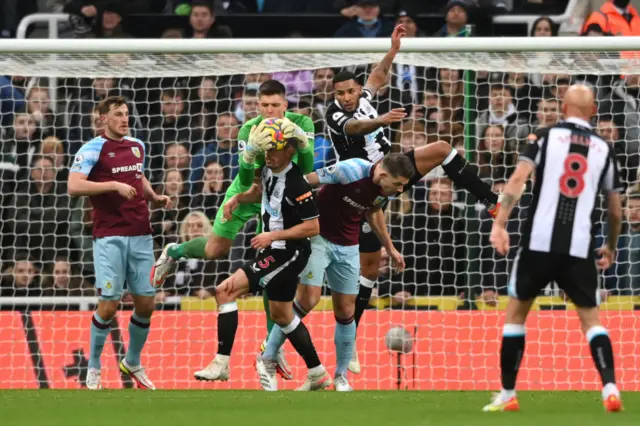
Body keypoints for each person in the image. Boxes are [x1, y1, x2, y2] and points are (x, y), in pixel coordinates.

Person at [325, 24, 503, 374]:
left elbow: (378, 74)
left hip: (394, 169)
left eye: (350, 92)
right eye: (341, 93)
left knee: (442, 149)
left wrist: (393, 50)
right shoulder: (334, 115)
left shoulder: (363, 97)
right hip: (365, 184)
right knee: (370, 268)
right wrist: (381, 119)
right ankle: (351, 339)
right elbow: (355, 129)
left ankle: (493, 202)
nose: (346, 97)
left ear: (357, 89)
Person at [152, 79, 315, 380]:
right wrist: (252, 152)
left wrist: (301, 143)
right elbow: (249, 176)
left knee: (273, 266)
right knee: (216, 250)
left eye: (275, 106)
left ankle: (272, 348)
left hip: (278, 197)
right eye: (263, 106)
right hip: (248, 192)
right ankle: (174, 251)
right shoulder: (247, 130)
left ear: (285, 105)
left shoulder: (301, 123)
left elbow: (306, 169)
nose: (268, 112)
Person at [485, 85, 624, 412]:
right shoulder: (605, 148)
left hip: (538, 242)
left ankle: (507, 395)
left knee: (516, 315)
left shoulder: (543, 138)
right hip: (579, 247)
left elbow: (518, 180)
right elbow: (616, 209)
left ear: (563, 107)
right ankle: (610, 388)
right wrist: (612, 246)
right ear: (593, 111)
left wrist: (499, 224)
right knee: (591, 320)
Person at [258, 153, 413, 392]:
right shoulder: (348, 170)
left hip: (349, 246)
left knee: (346, 309)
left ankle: (341, 377)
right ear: (382, 174)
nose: (400, 189)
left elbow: (373, 212)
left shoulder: (385, 190)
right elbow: (306, 180)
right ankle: (268, 358)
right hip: (318, 239)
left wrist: (390, 248)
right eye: (398, 184)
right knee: (308, 299)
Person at [193, 135, 331, 391]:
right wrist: (237, 199)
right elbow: (259, 192)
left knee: (225, 290)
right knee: (282, 315)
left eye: (275, 149)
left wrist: (272, 235)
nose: (268, 154)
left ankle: (221, 363)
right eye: (266, 148)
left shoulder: (297, 184)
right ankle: (317, 373)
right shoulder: (268, 170)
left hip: (287, 252)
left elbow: (313, 227)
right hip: (276, 249)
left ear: (290, 151)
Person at [67, 96, 172, 391]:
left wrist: (153, 197)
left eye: (126, 114)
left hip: (140, 233)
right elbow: (74, 186)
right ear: (102, 118)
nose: (125, 119)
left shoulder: (138, 146)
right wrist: (112, 185)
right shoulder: (92, 149)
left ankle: (133, 361)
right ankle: (95, 367)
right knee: (109, 305)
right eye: (118, 114)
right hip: (109, 236)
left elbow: (138, 176)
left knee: (146, 303)